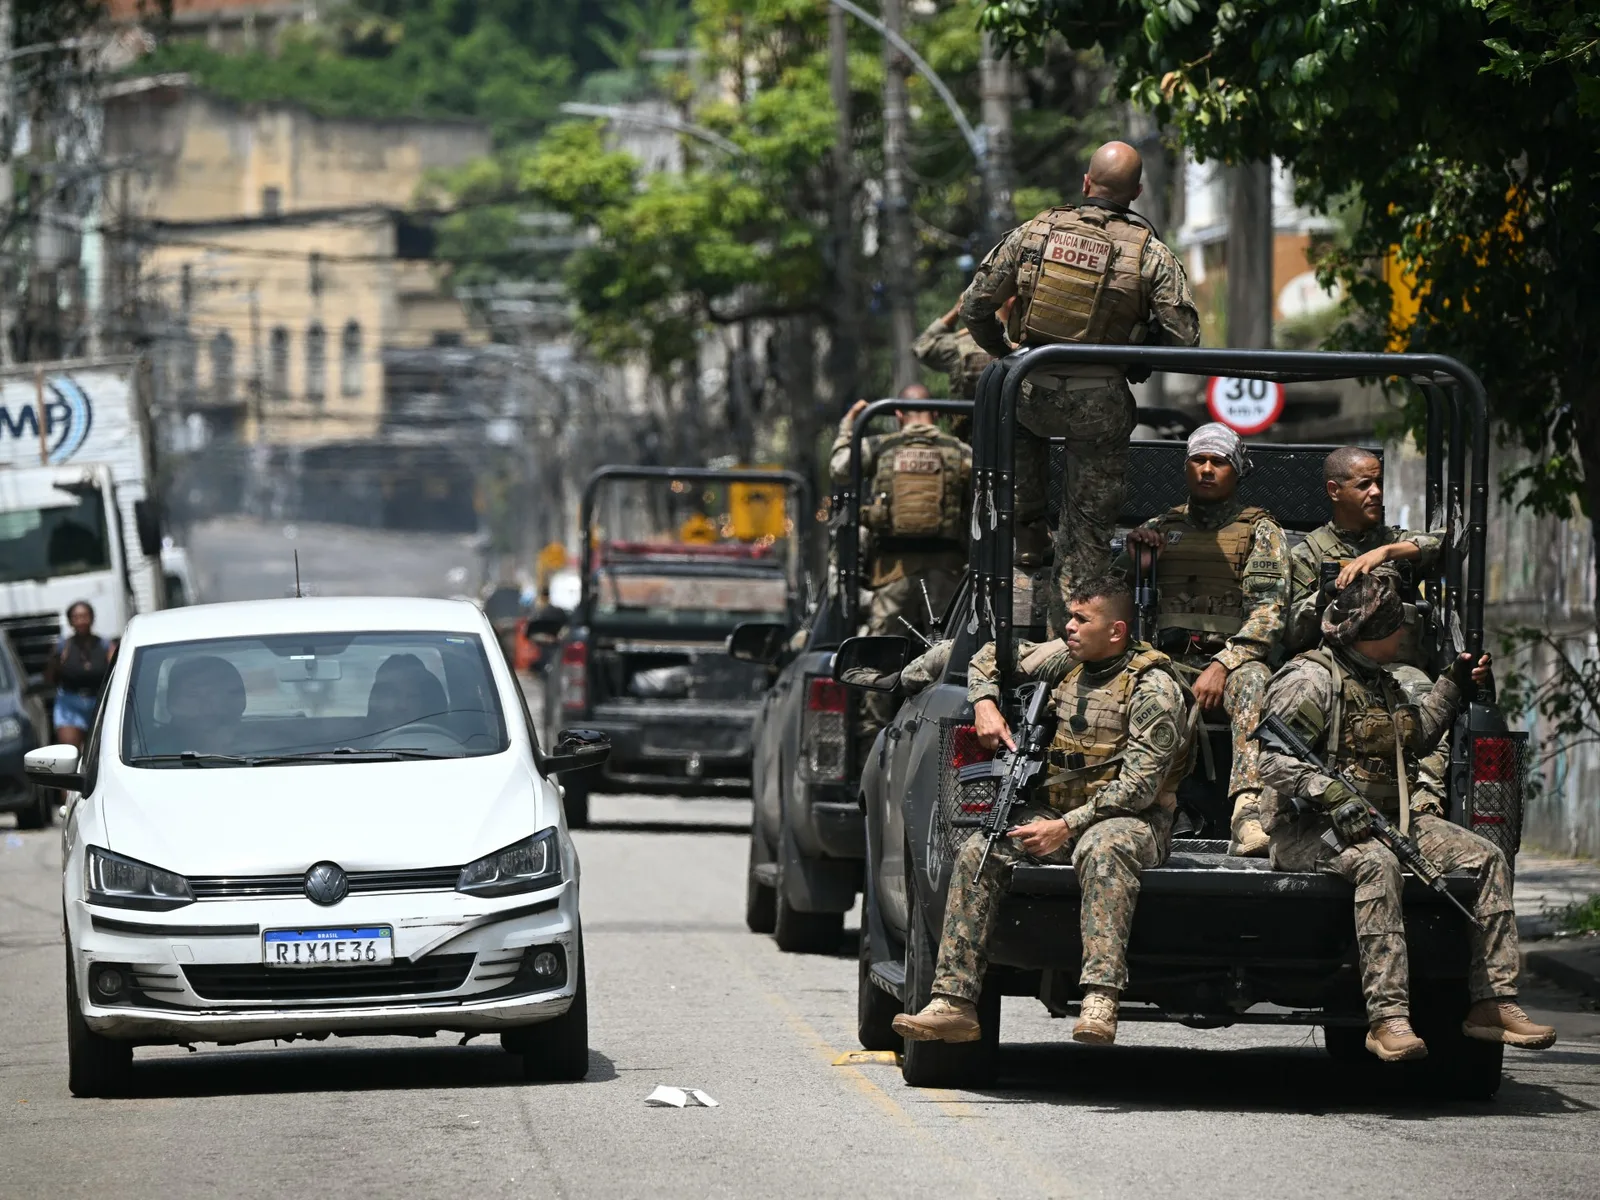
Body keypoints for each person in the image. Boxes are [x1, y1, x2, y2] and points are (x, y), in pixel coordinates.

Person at [1257, 574, 1556, 1062]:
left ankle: (1492, 1001)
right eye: (1397, 627)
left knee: (1486, 858)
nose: (1405, 636)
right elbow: (1270, 760)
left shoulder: (1380, 682)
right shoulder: (1311, 680)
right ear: (1375, 632)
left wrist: (1451, 685)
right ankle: (1387, 1017)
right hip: (1307, 830)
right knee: (1378, 864)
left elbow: (1414, 736)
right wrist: (1330, 793)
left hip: (1386, 819)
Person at [892, 576, 1192, 1046]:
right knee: (979, 849)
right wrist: (985, 703)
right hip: (1056, 816)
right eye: (1069, 617)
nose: (1068, 628)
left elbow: (1140, 787)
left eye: (1080, 619)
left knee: (1103, 847)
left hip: (1132, 822)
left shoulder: (1153, 687)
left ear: (1116, 631)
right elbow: (989, 654)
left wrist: (1065, 826)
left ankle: (1100, 997)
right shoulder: (1067, 661)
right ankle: (954, 1001)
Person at [961, 139, 1200, 631]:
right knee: (1087, 530)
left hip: (1026, 394)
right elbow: (1186, 336)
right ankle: (1070, 638)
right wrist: (1139, 347)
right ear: (1135, 192)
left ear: (1086, 183)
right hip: (1098, 405)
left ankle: (1023, 536)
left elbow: (974, 307)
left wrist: (1007, 356)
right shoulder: (1148, 252)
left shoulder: (1035, 233)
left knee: (1012, 476)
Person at [1120, 422, 1288, 856]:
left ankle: (1247, 813)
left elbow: (1270, 611)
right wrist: (1136, 564)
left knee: (1253, 680)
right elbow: (1105, 603)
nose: (1207, 469)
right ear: (1186, 466)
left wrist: (1223, 664)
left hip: (1230, 660)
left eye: (1219, 462)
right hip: (1165, 657)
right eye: (1199, 460)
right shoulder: (1159, 528)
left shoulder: (1260, 531)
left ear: (1237, 470)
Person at [828, 385, 972, 735]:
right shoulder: (958, 451)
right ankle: (945, 726)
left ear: (898, 415)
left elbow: (840, 469)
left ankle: (872, 733)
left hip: (892, 575)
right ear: (935, 413)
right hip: (947, 574)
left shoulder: (880, 446)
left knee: (877, 654)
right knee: (949, 653)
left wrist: (850, 426)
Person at [1286, 445, 1444, 659]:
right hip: (1333, 666)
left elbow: (1451, 541)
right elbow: (1292, 633)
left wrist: (1386, 552)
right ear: (1334, 490)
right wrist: (1331, 593)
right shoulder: (1307, 554)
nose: (1377, 492)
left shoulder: (1394, 542)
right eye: (1364, 485)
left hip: (1396, 668)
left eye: (1378, 483)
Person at [912, 296, 1015, 400]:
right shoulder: (1025, 345)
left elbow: (922, 347)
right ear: (1012, 301)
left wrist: (957, 309)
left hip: (971, 414)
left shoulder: (963, 343)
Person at [46, 601, 113, 749]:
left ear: (92, 618)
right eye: (76, 617)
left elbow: (116, 673)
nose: (81, 621)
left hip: (100, 703)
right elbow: (50, 679)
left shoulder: (105, 645)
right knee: (70, 751)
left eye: (84, 616)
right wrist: (55, 660)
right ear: (70, 621)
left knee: (103, 750)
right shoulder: (63, 646)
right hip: (70, 704)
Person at [163, 655, 248, 755]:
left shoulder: (258, 744)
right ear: (172, 703)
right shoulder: (153, 752)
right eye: (193, 695)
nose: (205, 704)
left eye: (213, 693)